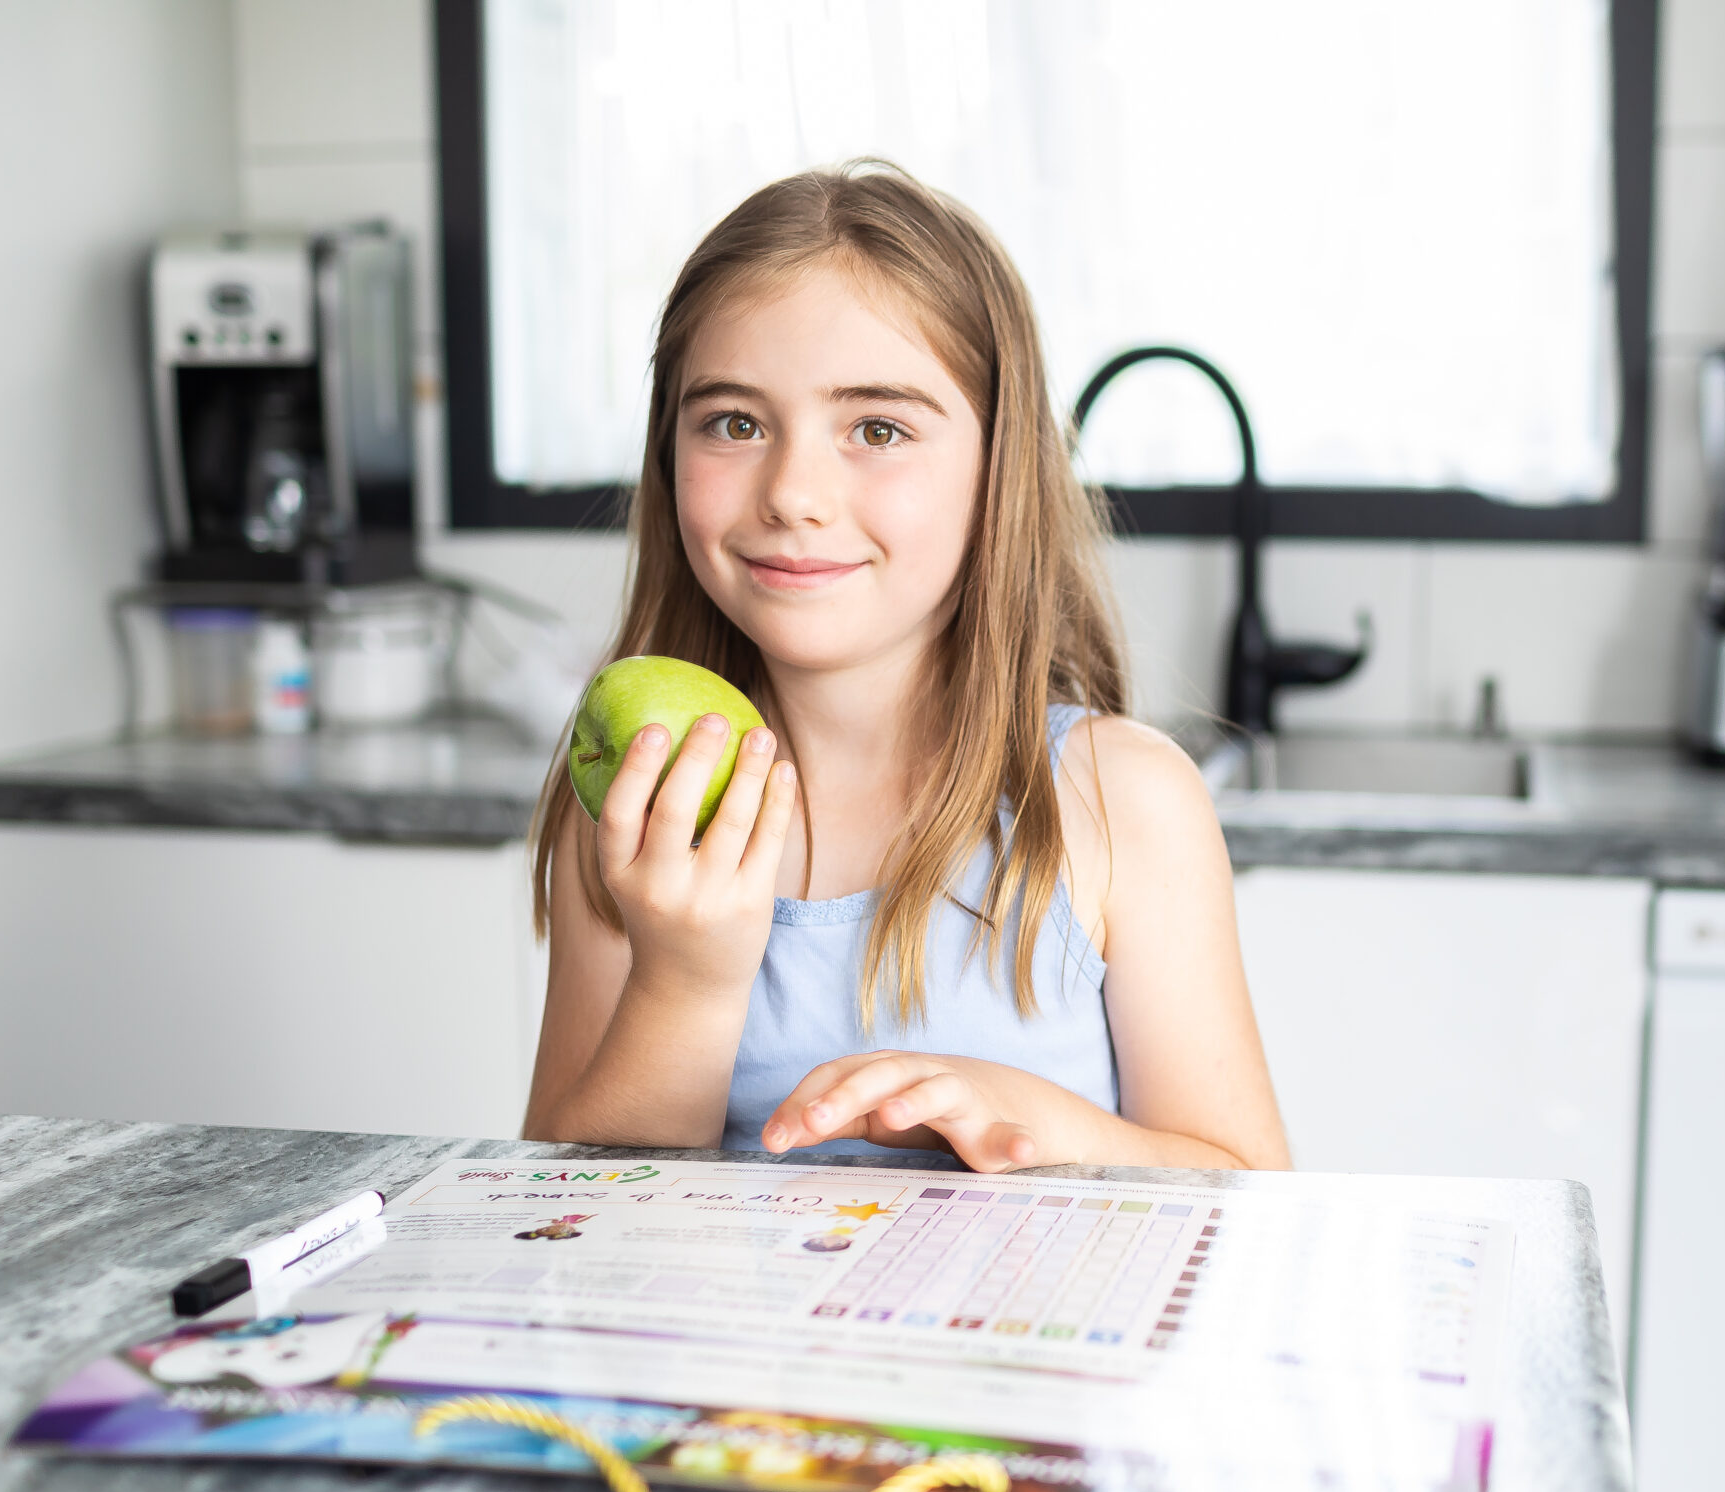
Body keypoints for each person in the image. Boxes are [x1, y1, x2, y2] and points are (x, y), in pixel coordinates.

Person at [521, 161, 1286, 1177]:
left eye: (876, 429)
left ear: (997, 465)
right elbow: (558, 1212)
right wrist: (686, 984)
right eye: (734, 423)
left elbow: (1248, 1189)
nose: (793, 492)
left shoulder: (1120, 802)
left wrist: (1040, 1122)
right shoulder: (642, 796)